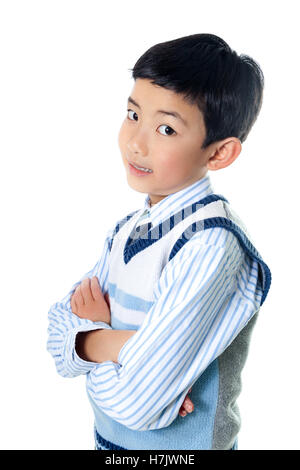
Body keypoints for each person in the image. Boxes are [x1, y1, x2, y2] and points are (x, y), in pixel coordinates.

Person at [47, 33, 272, 451]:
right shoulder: (128, 230)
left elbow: (138, 405)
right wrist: (129, 348)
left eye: (166, 128)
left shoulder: (211, 244)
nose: (136, 142)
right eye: (132, 115)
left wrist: (91, 341)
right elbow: (57, 335)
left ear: (220, 153)